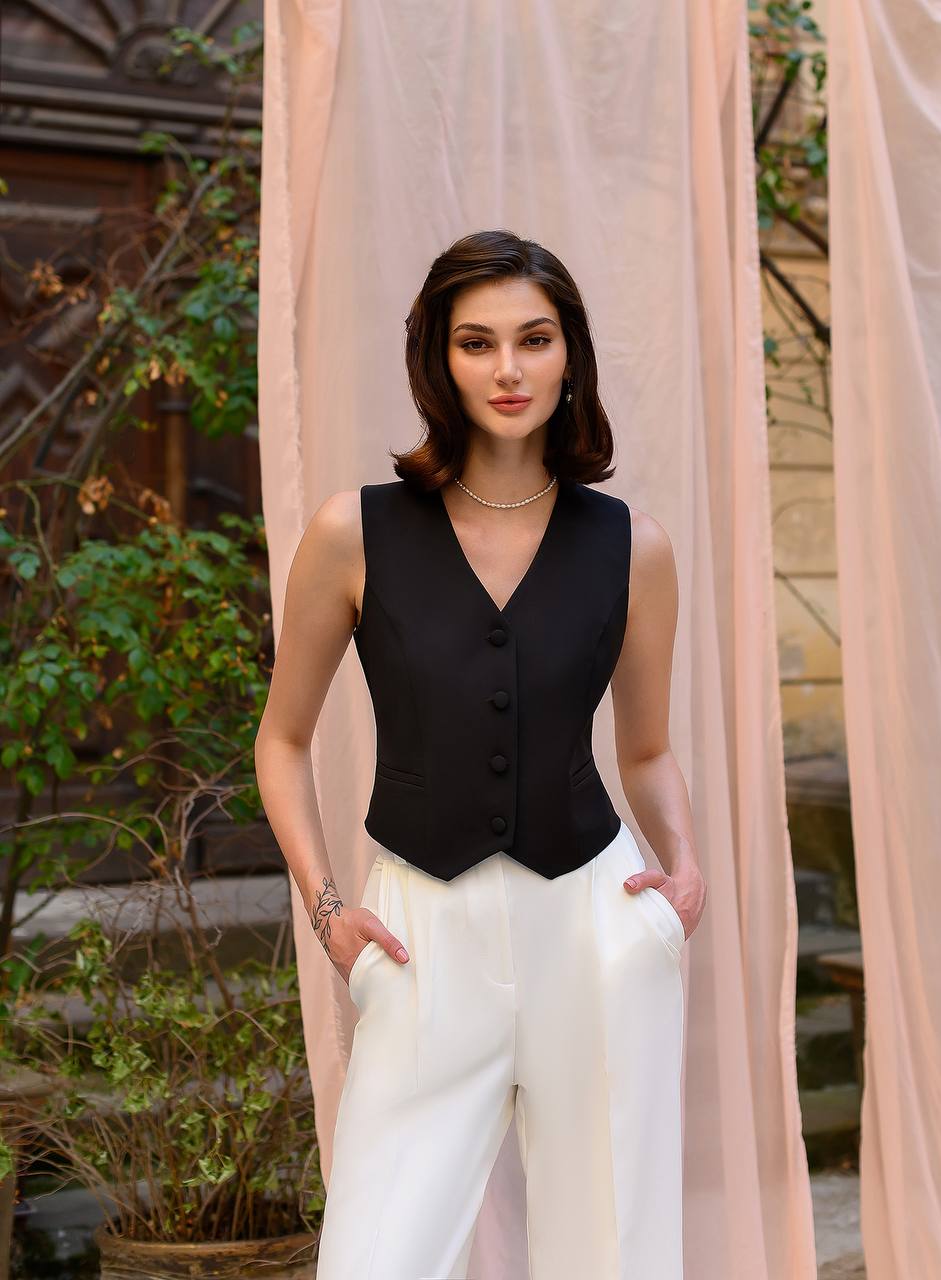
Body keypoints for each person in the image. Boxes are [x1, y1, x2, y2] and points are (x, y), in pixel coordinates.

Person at [254, 229, 708, 1279]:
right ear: (438, 360)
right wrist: (328, 912)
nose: (508, 369)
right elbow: (281, 740)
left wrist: (679, 870)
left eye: (534, 339)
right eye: (477, 342)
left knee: (616, 1251)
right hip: (420, 927)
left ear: (569, 355)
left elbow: (645, 748)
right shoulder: (352, 532)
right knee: (378, 1251)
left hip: (595, 925)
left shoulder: (632, 544)